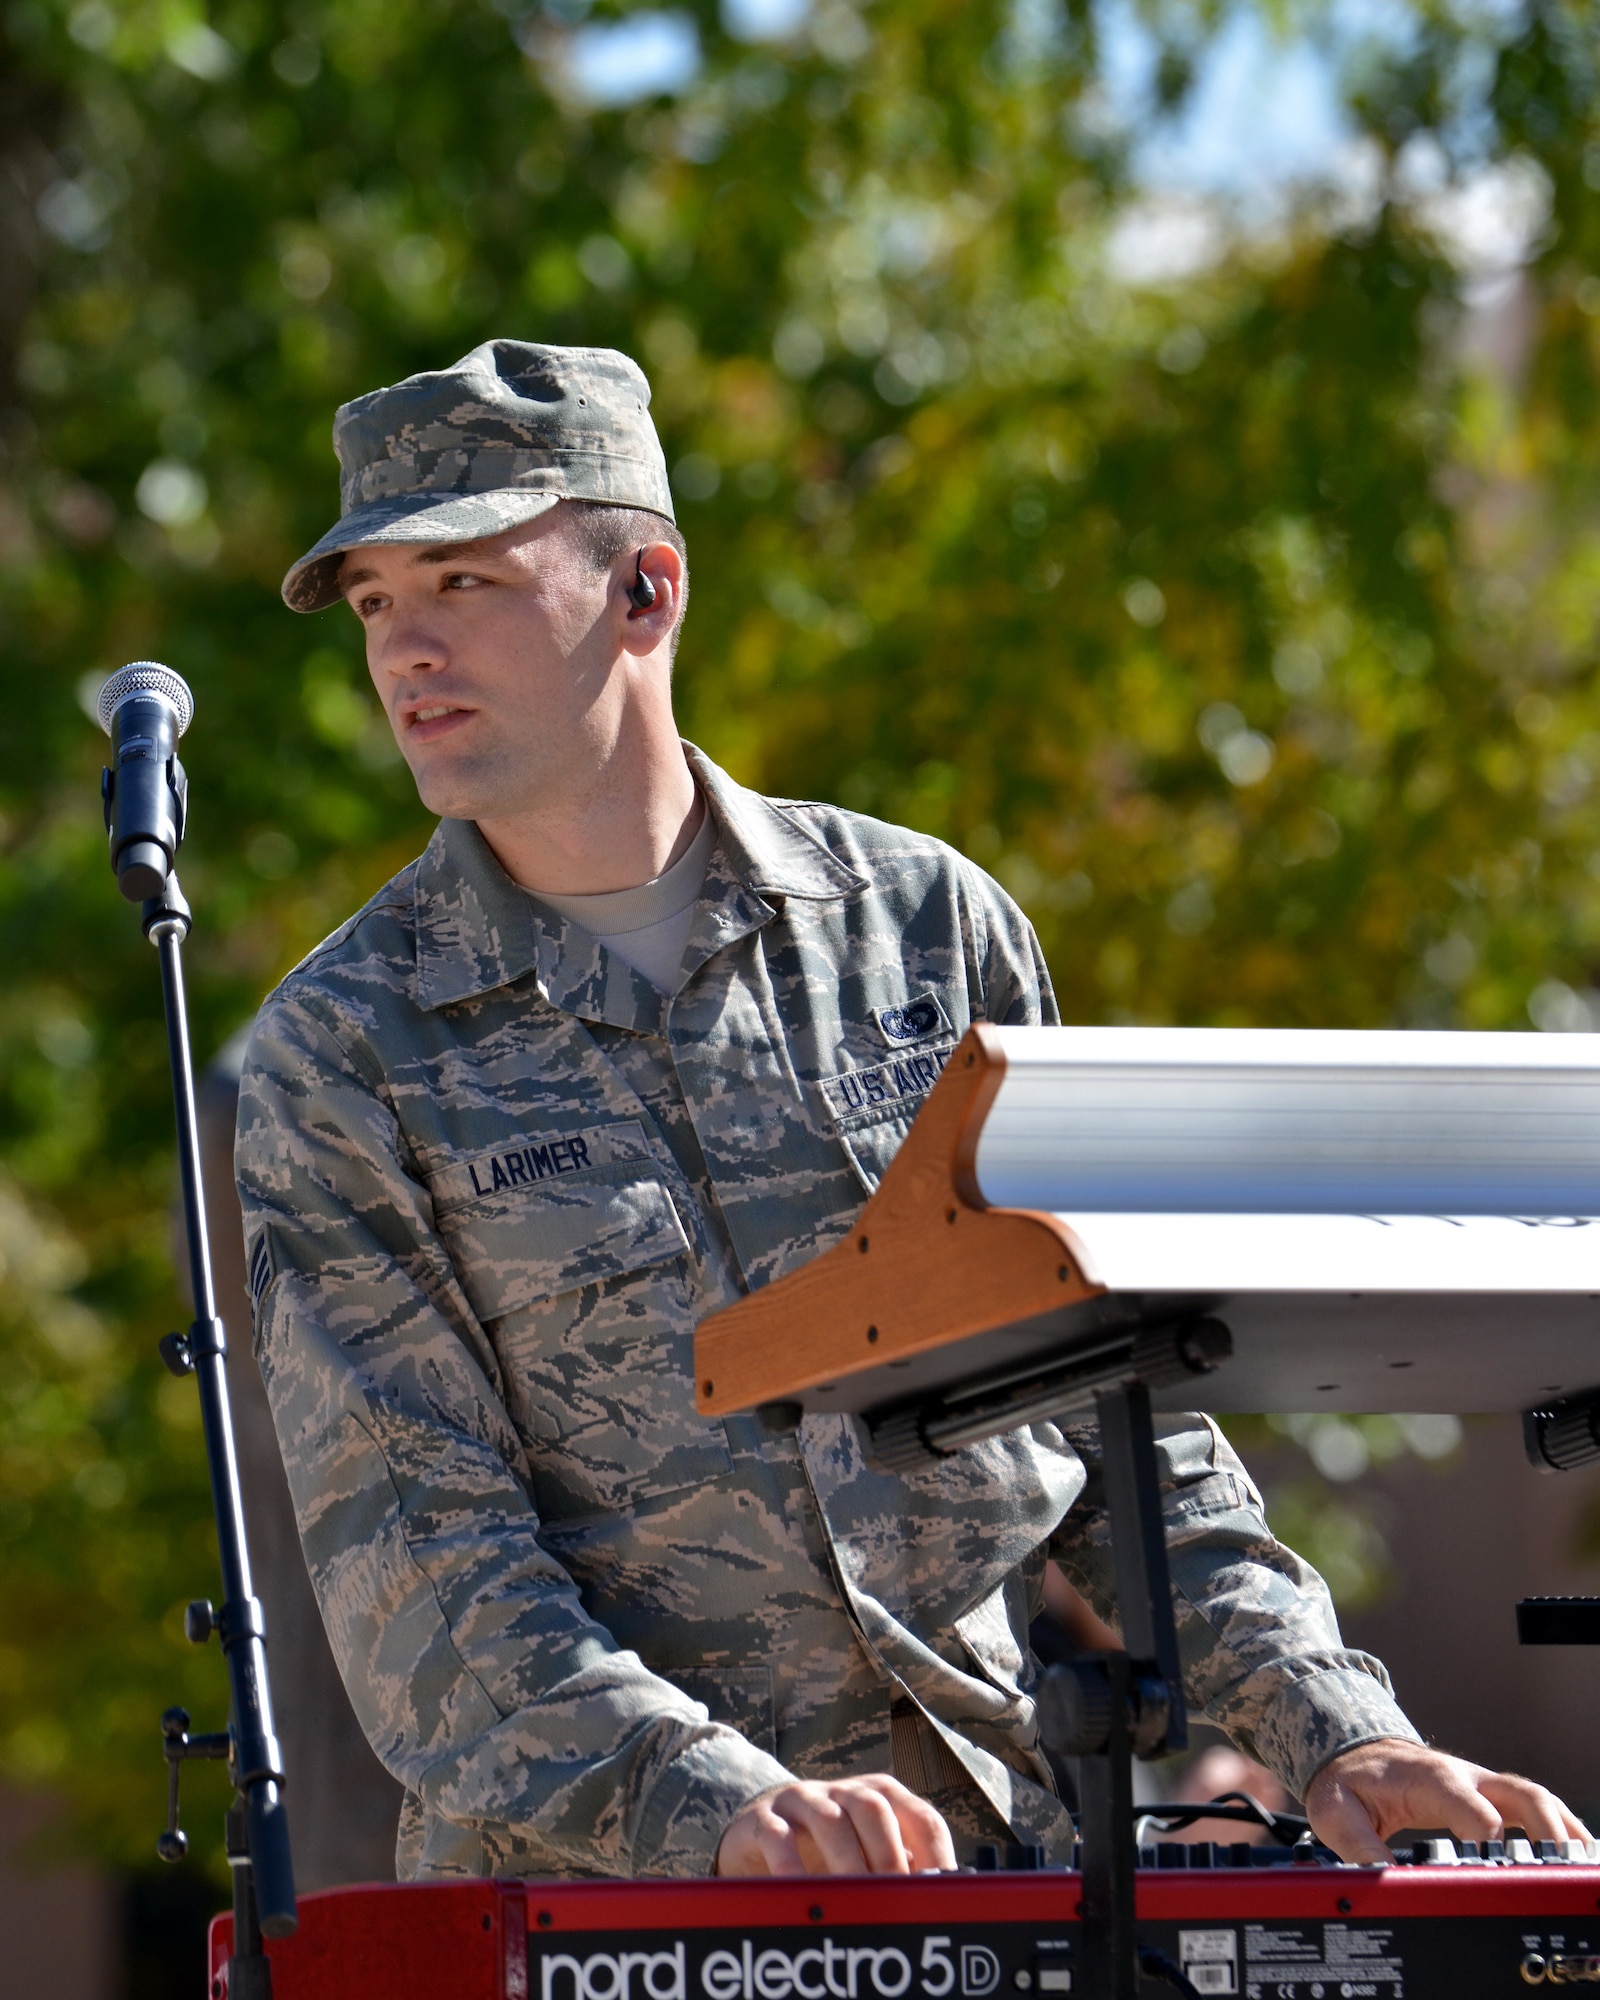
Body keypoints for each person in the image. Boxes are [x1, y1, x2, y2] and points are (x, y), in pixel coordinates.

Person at [236, 338, 1586, 1882]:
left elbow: (1120, 1408)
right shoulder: (344, 1053)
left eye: (463, 581)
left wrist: (1337, 1732)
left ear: (646, 591)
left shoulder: (929, 932)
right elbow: (423, 1572)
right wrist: (723, 1810)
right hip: (616, 1916)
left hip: (1011, 1871)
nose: (404, 649)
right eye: (374, 603)